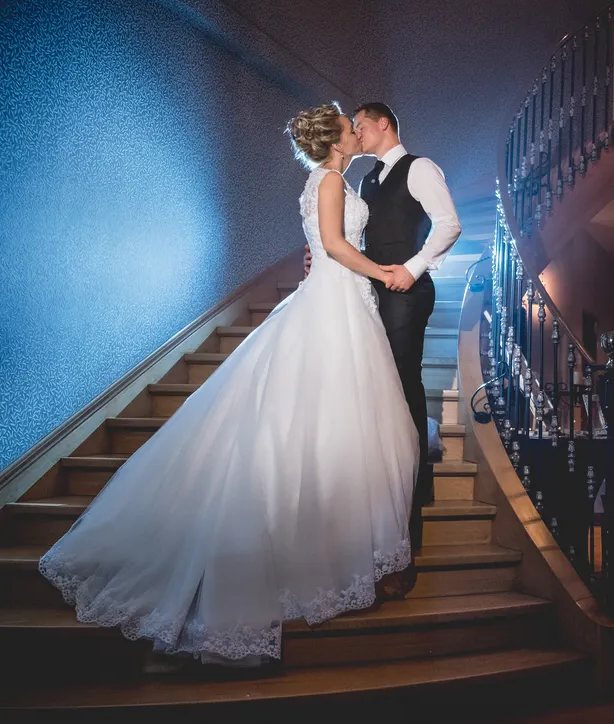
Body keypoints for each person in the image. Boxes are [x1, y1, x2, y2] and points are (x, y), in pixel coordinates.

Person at [38, 103, 419, 666]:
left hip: (335, 299)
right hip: (337, 303)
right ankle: (311, 558)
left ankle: (331, 548)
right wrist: (385, 271)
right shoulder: (334, 179)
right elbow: (336, 247)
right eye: (349, 126)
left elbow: (320, 246)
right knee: (333, 423)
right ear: (337, 141)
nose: (355, 130)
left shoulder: (322, 178)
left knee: (348, 429)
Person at [304, 101, 461, 595]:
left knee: (402, 396)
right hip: (371, 292)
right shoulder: (363, 180)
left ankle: (407, 523)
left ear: (384, 125)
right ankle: (372, 518)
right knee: (379, 401)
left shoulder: (421, 168)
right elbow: (344, 237)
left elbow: (449, 225)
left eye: (362, 126)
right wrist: (324, 252)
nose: (357, 133)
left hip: (405, 291)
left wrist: (412, 269)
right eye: (350, 129)